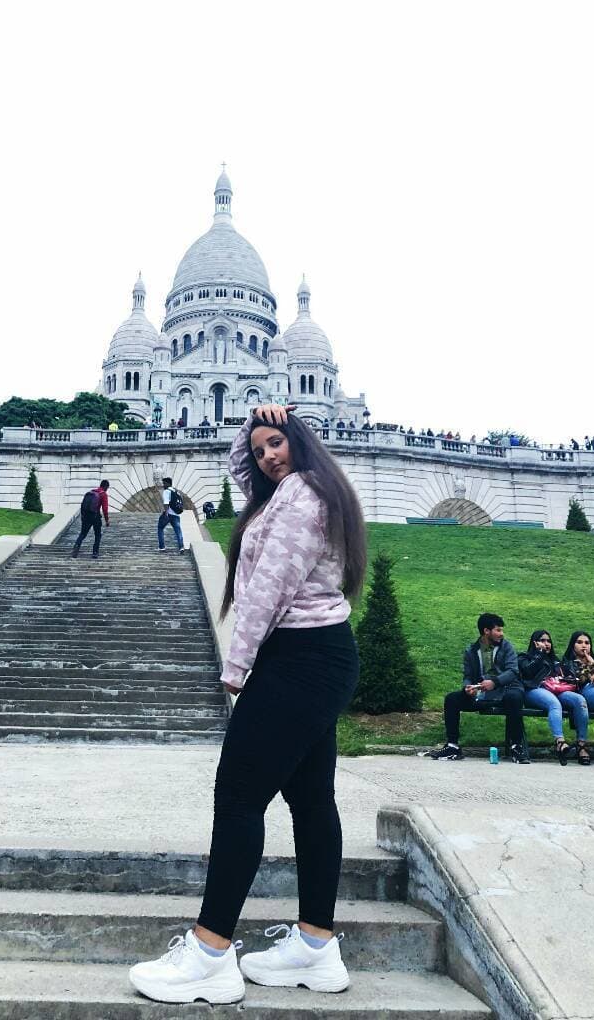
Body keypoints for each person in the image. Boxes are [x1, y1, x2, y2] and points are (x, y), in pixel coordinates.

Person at [130, 404, 367, 1004]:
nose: (266, 456)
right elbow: (241, 471)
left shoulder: (303, 497)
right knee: (312, 800)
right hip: (318, 656)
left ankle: (209, 953)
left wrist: (235, 666)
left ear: (301, 442)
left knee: (237, 795)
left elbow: (270, 586)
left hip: (299, 659)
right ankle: (315, 947)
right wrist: (250, 427)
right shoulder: (290, 492)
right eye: (260, 450)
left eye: (277, 444)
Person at [428, 614, 528, 763]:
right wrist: (468, 687)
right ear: (486, 631)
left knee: (515, 697)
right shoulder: (471, 650)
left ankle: (517, 747)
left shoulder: (507, 647)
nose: (501, 633)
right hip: (482, 693)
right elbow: (468, 675)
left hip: (505, 690)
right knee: (452, 699)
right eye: (498, 630)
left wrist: (494, 682)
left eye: (501, 630)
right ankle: (452, 746)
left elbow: (513, 671)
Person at [518, 631, 588, 764]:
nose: (546, 643)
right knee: (554, 703)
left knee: (580, 700)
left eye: (548, 641)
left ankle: (581, 745)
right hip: (534, 689)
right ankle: (560, 742)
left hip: (557, 689)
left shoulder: (556, 661)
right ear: (535, 643)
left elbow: (570, 679)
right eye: (542, 640)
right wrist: (539, 654)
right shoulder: (524, 657)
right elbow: (528, 672)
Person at [71, 480, 110, 559]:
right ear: (106, 487)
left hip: (86, 516)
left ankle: (76, 546)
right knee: (97, 535)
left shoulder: (91, 492)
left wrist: (83, 516)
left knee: (83, 534)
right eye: (107, 488)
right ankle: (95, 552)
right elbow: (105, 509)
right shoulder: (103, 494)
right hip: (96, 517)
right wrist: (107, 520)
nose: (107, 489)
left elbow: (83, 505)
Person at [158, 477, 185, 553]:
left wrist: (166, 513)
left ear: (168, 483)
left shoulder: (167, 491)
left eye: (164, 483)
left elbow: (166, 503)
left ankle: (162, 547)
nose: (163, 485)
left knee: (160, 528)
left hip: (169, 513)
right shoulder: (176, 491)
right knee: (178, 531)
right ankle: (181, 547)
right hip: (176, 514)